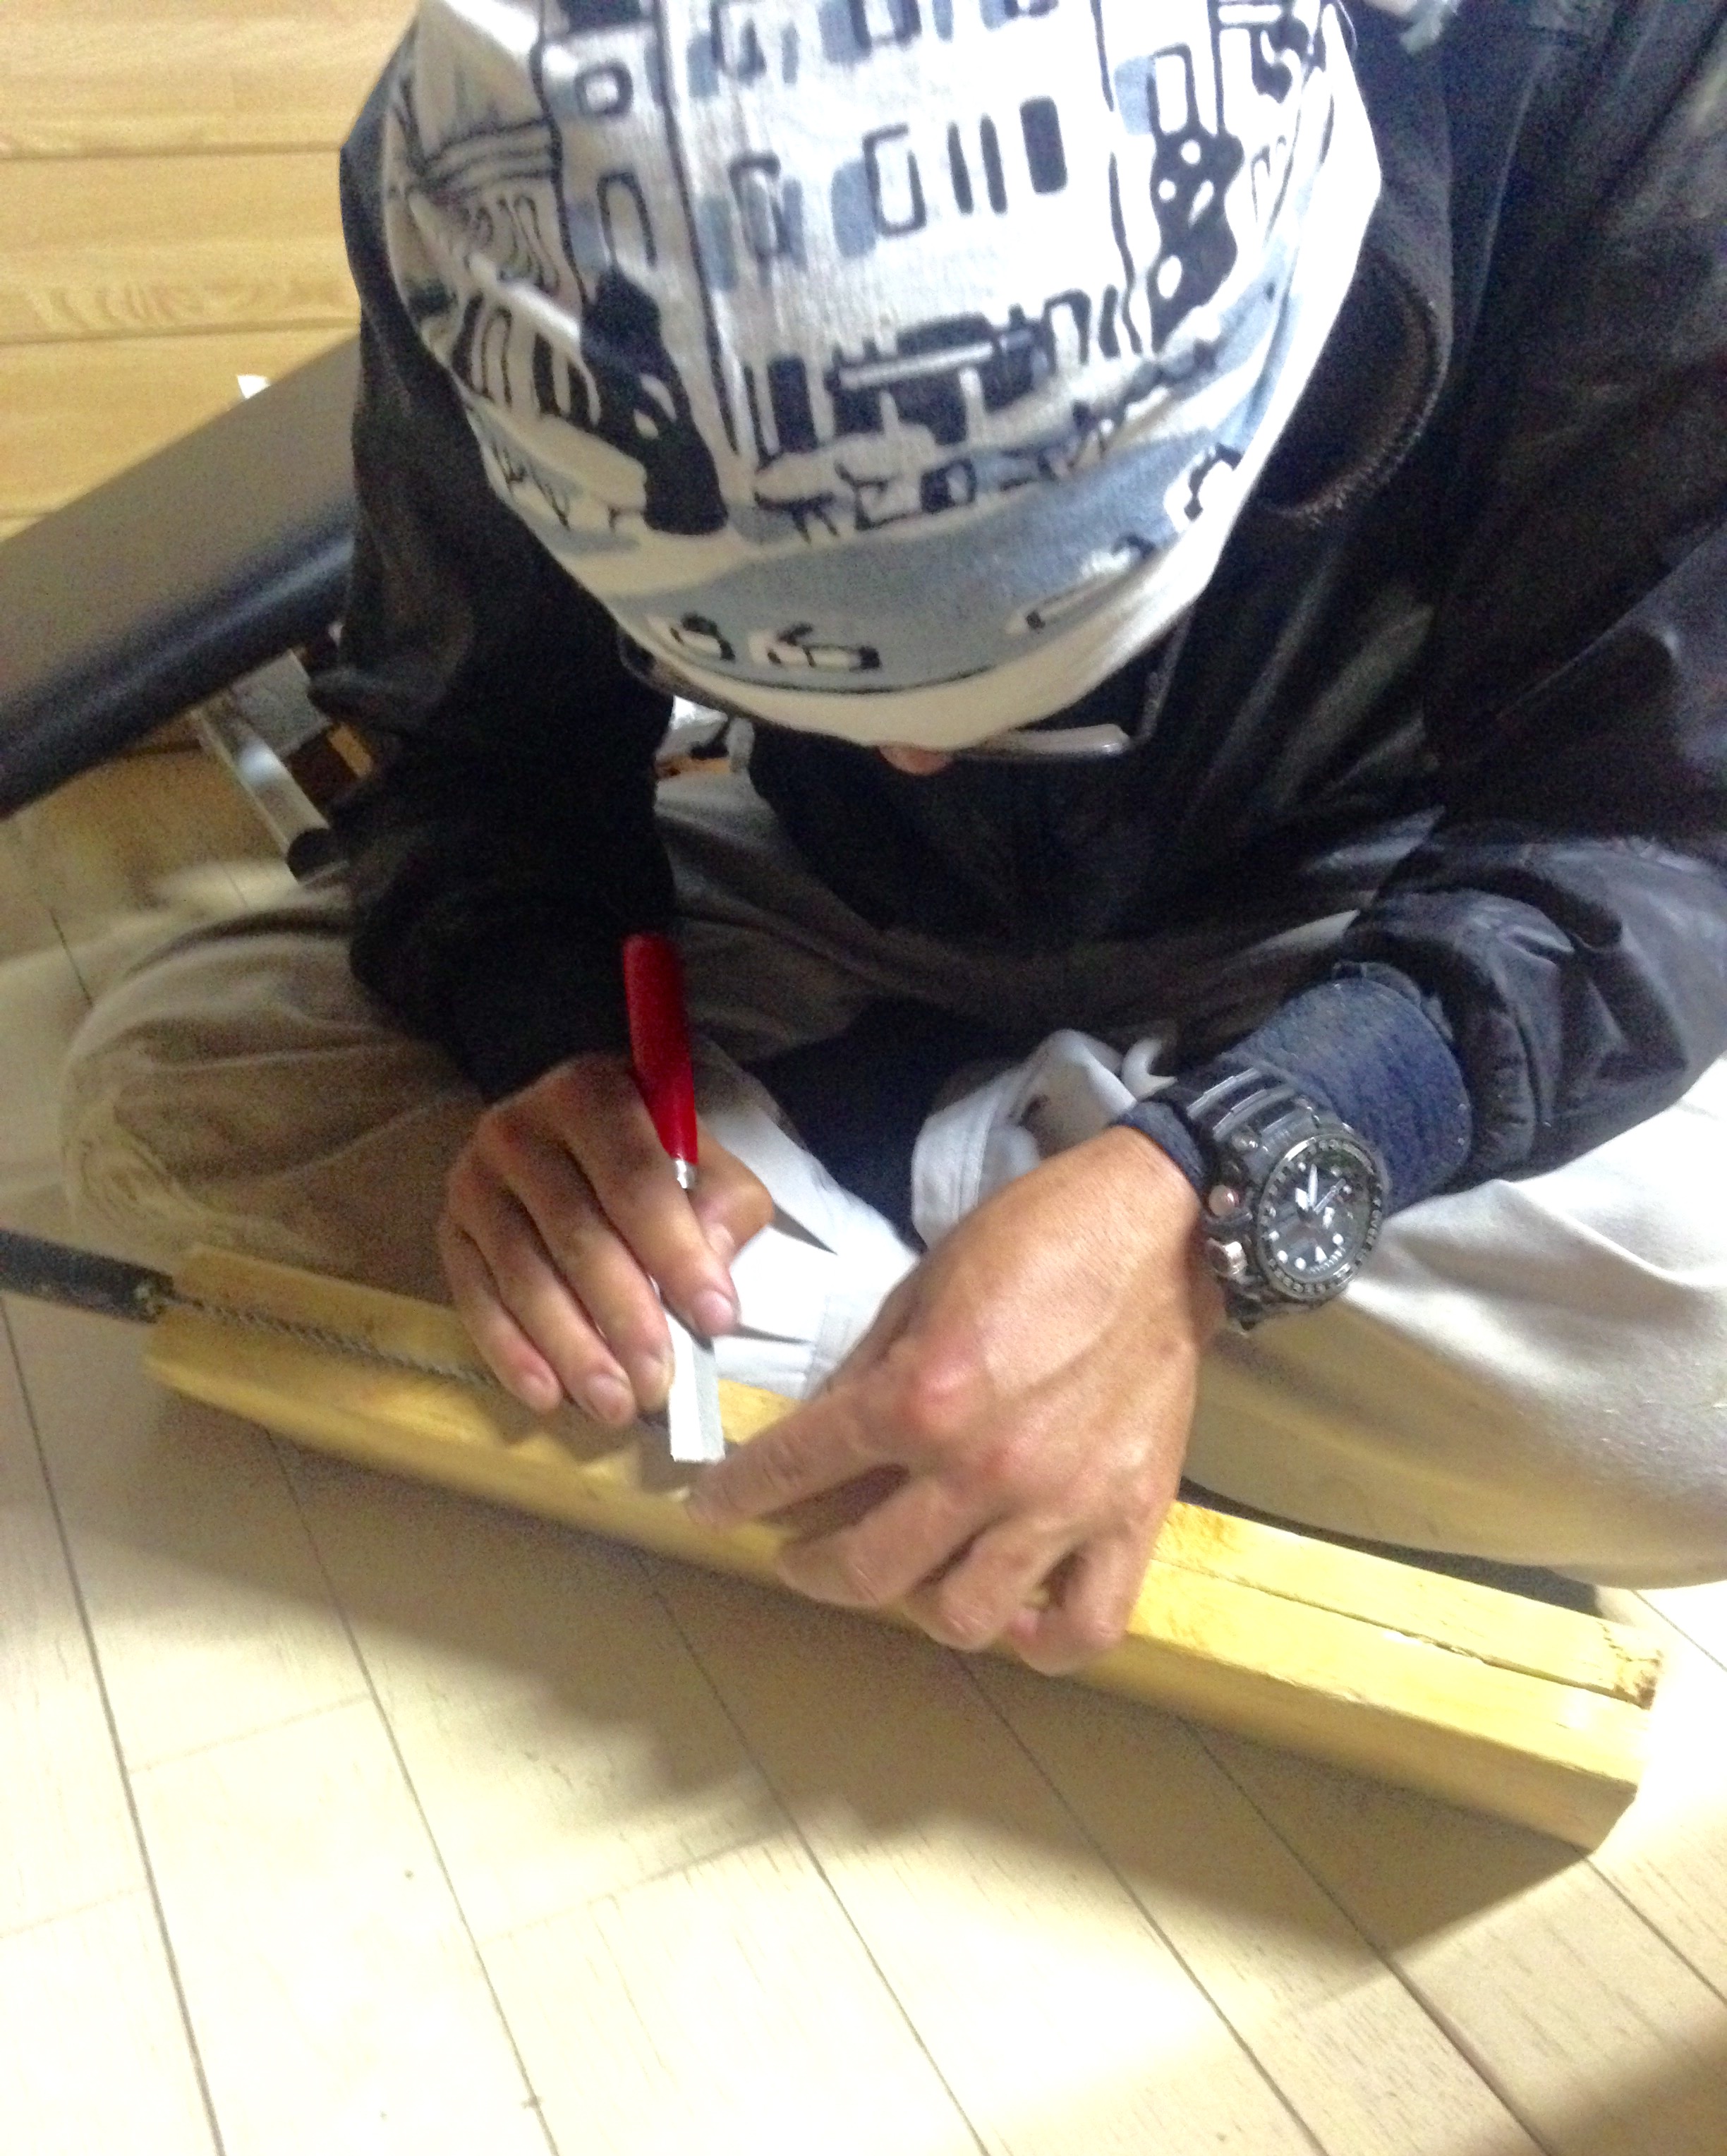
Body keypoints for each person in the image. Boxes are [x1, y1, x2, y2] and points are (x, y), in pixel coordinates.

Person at [62, 0, 1727, 1669]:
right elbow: (474, 749)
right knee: (164, 1084)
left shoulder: (1620, 86)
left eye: (1024, 656)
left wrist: (1209, 1198)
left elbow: (1653, 834)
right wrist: (553, 1052)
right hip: (822, 907)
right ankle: (979, 1344)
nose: (918, 755)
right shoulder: (503, 154)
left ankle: (871, 1276)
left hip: (1365, 924)